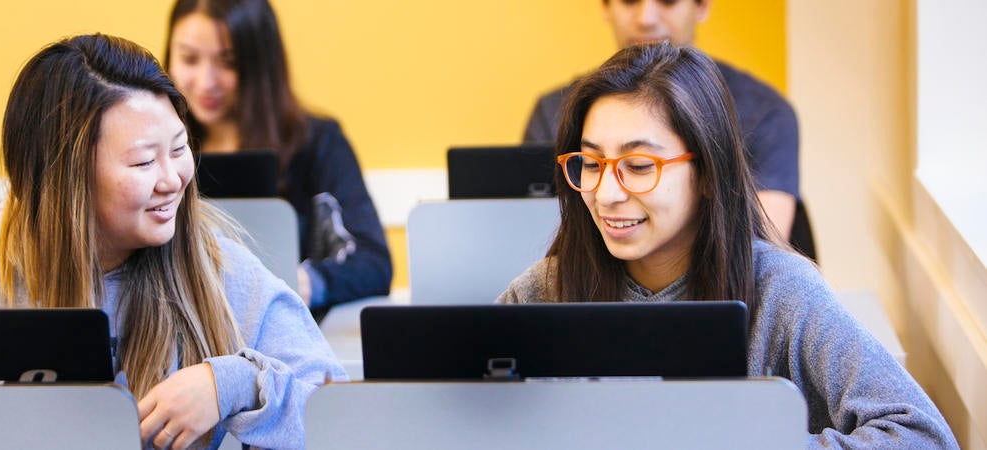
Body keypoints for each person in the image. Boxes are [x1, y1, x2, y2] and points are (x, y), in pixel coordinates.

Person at [0, 33, 346, 450]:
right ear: (63, 182)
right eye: (141, 163)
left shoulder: (224, 275)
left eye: (178, 149)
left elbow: (346, 418)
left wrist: (238, 383)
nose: (172, 178)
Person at [497, 43, 957, 448]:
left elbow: (922, 435)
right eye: (592, 162)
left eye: (638, 165)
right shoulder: (544, 290)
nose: (606, 193)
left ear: (709, 176)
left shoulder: (782, 292)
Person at [164, 0, 392, 319]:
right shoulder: (156, 149)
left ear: (261, 63)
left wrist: (307, 282)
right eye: (189, 58)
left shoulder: (318, 143)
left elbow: (373, 264)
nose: (206, 82)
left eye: (228, 62)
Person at [523, 0, 800, 244]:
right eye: (592, 164)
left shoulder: (763, 111)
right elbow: (534, 236)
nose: (646, 18)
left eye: (640, 165)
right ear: (606, 6)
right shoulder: (554, 111)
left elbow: (761, 244)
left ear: (701, 5)